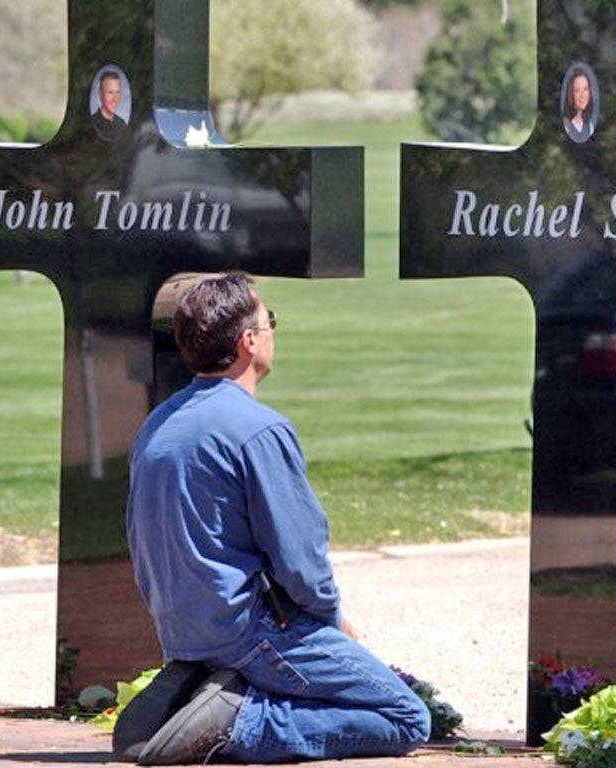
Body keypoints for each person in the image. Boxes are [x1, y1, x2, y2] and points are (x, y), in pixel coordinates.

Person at [119, 273, 430, 764]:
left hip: (183, 632)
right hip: (249, 634)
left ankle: (195, 696)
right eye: (270, 323)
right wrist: (331, 623)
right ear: (248, 341)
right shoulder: (258, 429)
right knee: (405, 718)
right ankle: (235, 724)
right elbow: (300, 557)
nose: (271, 333)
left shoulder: (158, 423)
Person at [92, 70, 129, 140]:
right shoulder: (93, 123)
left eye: (117, 92)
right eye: (110, 92)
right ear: (100, 94)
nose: (115, 99)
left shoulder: (122, 124)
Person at [563, 69, 595, 143]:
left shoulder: (589, 126)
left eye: (585, 89)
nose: (582, 95)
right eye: (577, 90)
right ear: (571, 94)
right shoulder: (566, 125)